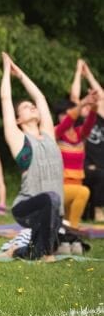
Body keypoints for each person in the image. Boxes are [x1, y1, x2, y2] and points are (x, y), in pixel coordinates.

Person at [0, 53, 63, 261]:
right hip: (27, 207)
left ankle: (17, 251)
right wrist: (7, 71)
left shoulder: (48, 134)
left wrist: (21, 74)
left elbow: (40, 98)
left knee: (37, 252)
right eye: (26, 107)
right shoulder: (19, 139)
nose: (33, 107)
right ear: (18, 119)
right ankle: (46, 251)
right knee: (51, 200)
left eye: (31, 106)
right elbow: (5, 99)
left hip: (53, 212)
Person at [55, 78, 98, 228]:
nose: (67, 118)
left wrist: (94, 105)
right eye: (64, 114)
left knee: (63, 223)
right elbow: (67, 122)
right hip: (60, 187)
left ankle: (68, 233)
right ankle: (74, 229)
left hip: (76, 184)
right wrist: (82, 102)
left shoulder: (80, 134)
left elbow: (91, 122)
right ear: (59, 116)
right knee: (84, 192)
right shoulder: (56, 133)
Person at [70, 59, 104, 222]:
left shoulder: (99, 117)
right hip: (84, 165)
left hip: (101, 163)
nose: (85, 107)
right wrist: (78, 72)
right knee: (99, 175)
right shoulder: (78, 121)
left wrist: (88, 73)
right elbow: (74, 97)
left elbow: (101, 96)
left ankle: (97, 209)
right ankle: (97, 210)